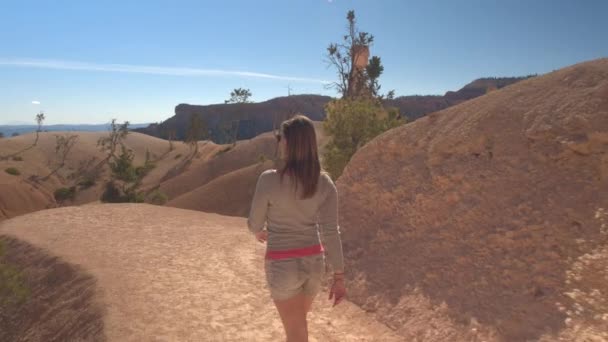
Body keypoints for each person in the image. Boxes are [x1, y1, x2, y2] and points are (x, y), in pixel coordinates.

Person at [247, 114, 346, 342]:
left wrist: (258, 232)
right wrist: (339, 276)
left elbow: (254, 223)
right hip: (314, 264)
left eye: (280, 138)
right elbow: (331, 232)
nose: (279, 142)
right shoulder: (325, 183)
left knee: (296, 333)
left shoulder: (269, 180)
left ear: (288, 143)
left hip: (282, 264)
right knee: (298, 328)